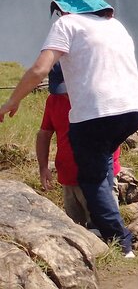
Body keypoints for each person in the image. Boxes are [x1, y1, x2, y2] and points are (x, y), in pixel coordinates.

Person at [0, 0, 138, 258]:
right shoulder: (115, 25)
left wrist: (12, 100)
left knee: (90, 179)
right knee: (102, 162)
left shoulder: (66, 24)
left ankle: (121, 243)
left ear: (63, 7)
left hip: (96, 114)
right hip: (135, 109)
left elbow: (40, 69)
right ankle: (108, 226)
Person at [37, 62, 122, 227]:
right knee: (77, 230)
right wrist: (43, 167)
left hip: (98, 177)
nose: (65, 94)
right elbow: (44, 134)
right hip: (68, 178)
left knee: (105, 230)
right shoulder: (53, 101)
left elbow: (113, 134)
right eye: (60, 89)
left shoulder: (99, 97)